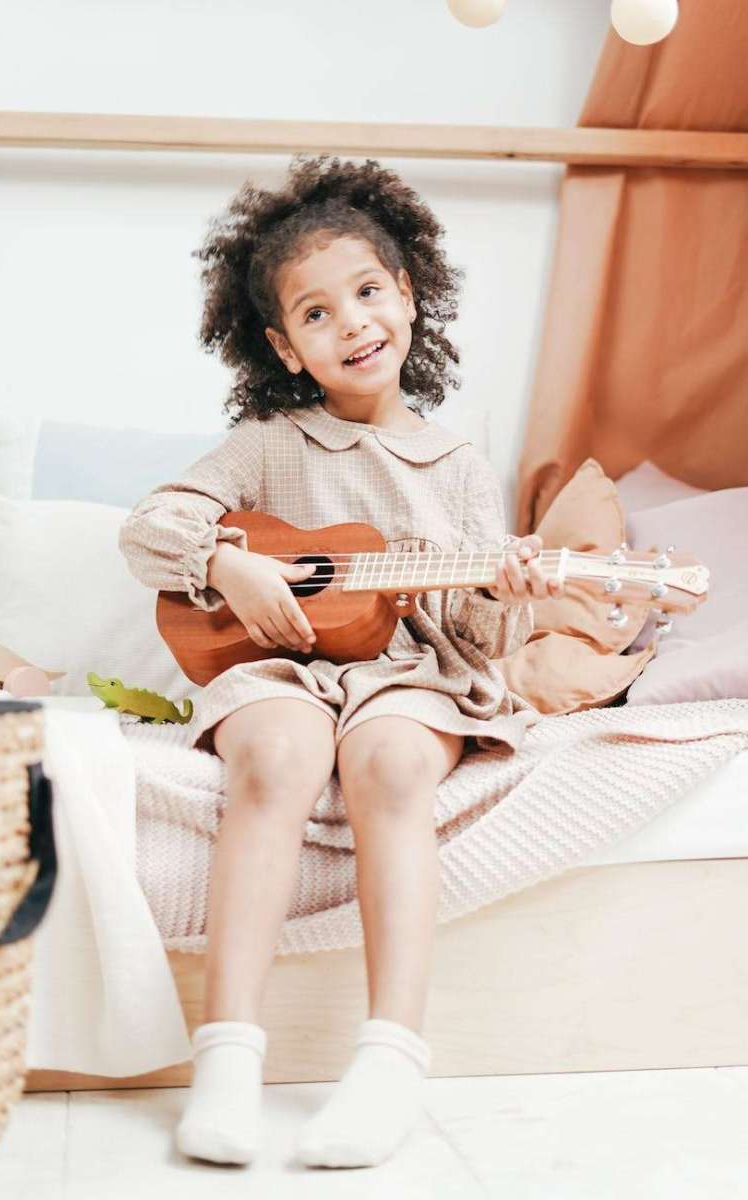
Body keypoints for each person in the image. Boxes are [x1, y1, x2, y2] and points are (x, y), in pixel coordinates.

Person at [118, 153, 565, 1171]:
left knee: (392, 766)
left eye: (367, 292)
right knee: (273, 761)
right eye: (314, 313)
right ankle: (225, 1057)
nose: (351, 322)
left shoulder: (454, 467)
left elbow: (467, 627)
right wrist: (227, 564)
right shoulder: (267, 444)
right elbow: (149, 528)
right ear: (281, 343)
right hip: (284, 668)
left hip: (405, 672)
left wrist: (501, 592)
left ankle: (389, 1059)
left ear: (407, 297)